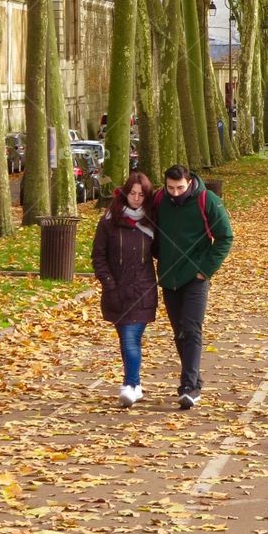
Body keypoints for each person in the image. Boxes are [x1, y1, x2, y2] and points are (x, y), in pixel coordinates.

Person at [154, 165, 234, 409]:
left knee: (191, 328)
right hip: (169, 277)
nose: (175, 193)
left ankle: (189, 387)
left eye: (180, 188)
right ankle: (194, 377)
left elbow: (225, 237)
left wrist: (205, 270)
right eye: (170, 188)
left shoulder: (206, 200)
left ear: (189, 183)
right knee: (179, 331)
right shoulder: (159, 200)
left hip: (195, 277)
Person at [91, 172, 158, 408]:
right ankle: (135, 384)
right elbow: (98, 256)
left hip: (143, 290)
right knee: (127, 340)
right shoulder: (109, 221)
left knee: (131, 339)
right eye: (133, 193)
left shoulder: (152, 221)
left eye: (141, 195)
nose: (136, 199)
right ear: (125, 193)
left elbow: (161, 252)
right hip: (117, 291)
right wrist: (109, 284)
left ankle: (130, 385)